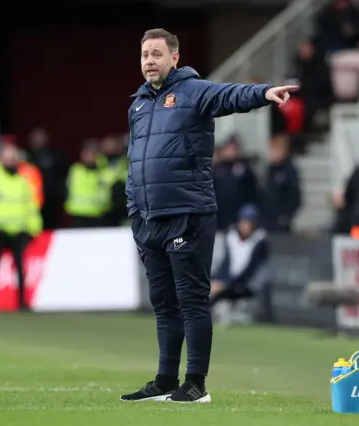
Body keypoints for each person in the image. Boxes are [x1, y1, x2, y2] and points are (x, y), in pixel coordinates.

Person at [120, 28, 297, 403]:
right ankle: (166, 380)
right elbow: (135, 161)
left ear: (174, 58)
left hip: (188, 213)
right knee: (164, 303)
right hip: (149, 217)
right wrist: (134, 205)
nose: (149, 61)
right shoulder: (137, 104)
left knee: (191, 300)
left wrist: (263, 92)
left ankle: (196, 384)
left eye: (156, 54)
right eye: (144, 55)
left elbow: (229, 95)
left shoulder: (193, 91)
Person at [0, 143, 42, 311]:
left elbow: (31, 207)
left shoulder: (23, 181)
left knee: (20, 267)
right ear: (0, 158)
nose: (11, 160)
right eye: (8, 156)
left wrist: (33, 229)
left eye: (13, 157)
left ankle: (22, 303)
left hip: (19, 230)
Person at [210, 204, 270, 324]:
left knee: (217, 294)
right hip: (229, 280)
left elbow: (250, 269)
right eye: (244, 222)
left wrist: (226, 284)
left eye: (250, 223)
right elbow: (226, 263)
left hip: (246, 284)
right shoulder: (231, 236)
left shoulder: (260, 241)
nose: (246, 226)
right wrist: (218, 280)